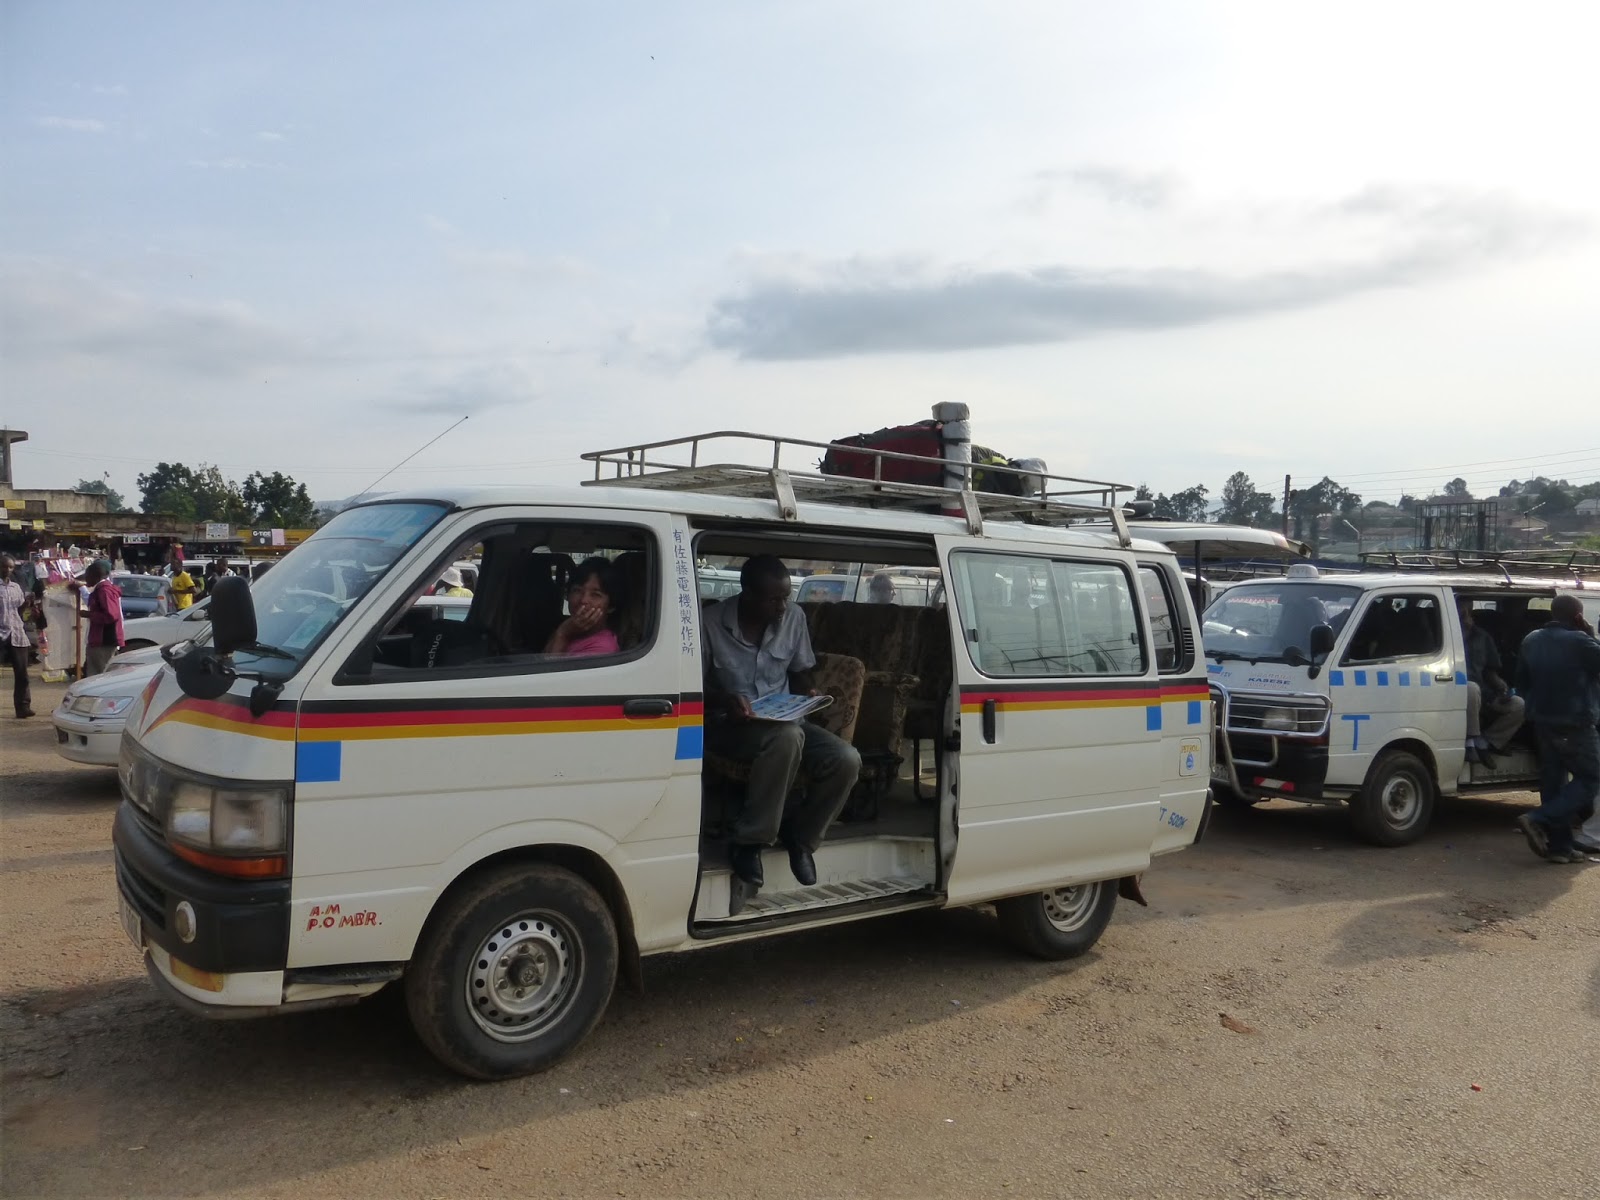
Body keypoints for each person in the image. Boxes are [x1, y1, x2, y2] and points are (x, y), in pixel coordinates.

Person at [702, 554, 861, 898]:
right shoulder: (710, 622)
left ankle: (801, 839)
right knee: (788, 738)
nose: (781, 606)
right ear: (746, 594)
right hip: (729, 725)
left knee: (846, 759)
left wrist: (808, 690)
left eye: (785, 597)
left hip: (785, 718)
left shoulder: (793, 617)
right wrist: (725, 700)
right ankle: (749, 841)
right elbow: (695, 688)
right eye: (773, 599)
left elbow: (799, 669)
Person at [1512, 594, 1600, 864]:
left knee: (1553, 784)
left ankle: (1559, 848)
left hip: (1542, 723)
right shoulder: (1581, 642)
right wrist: (1590, 634)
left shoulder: (1531, 640)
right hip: (1575, 723)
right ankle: (1537, 818)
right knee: (1592, 778)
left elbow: (1521, 682)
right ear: (1577, 616)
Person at [1458, 604, 1524, 764]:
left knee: (1518, 705)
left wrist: (1500, 685)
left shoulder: (1482, 636)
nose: (1464, 614)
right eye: (1461, 610)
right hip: (1453, 691)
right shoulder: (1442, 632)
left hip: (1484, 692)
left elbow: (1490, 670)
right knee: (1471, 689)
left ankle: (1486, 742)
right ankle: (1470, 743)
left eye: (1467, 610)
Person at [544, 557, 621, 657]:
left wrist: (562, 634)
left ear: (611, 606)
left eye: (595, 595)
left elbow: (551, 671)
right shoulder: (570, 628)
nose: (583, 600)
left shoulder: (603, 648)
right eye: (577, 590)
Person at [74, 559, 125, 676]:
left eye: (87, 576)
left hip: (104, 641)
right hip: (101, 640)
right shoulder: (101, 589)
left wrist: (89, 614)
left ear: (96, 576)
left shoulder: (104, 590)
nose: (86, 580)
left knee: (100, 675)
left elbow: (111, 615)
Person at [0, 554, 34, 718]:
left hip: (16, 633)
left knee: (22, 674)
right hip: (1, 633)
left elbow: (19, 611)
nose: (7, 570)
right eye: (4, 566)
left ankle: (23, 707)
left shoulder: (16, 587)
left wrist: (26, 604)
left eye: (10, 567)